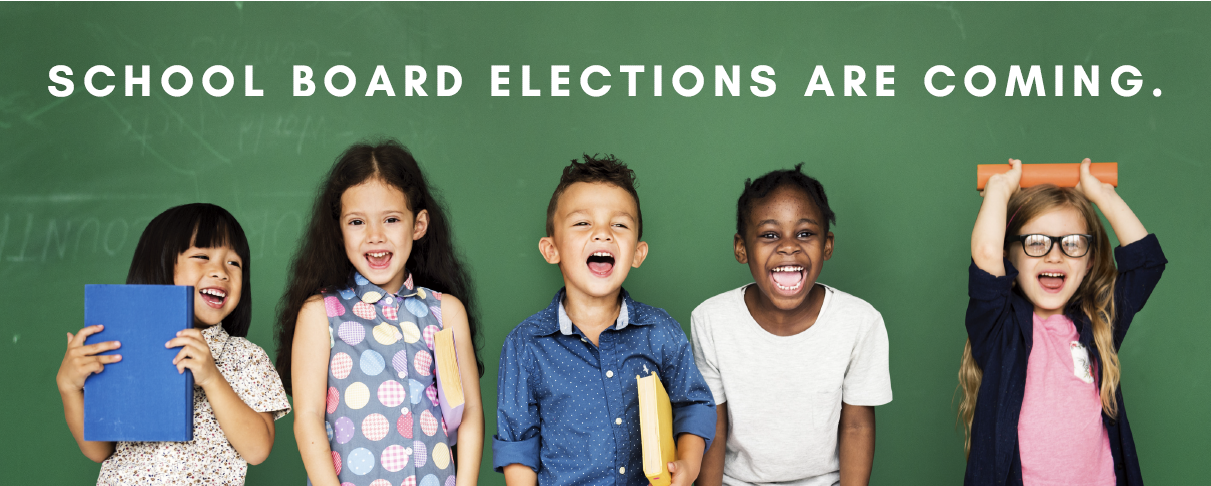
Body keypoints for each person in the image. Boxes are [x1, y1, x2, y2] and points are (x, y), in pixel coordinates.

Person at [493, 154, 716, 486]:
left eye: (619, 224)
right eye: (583, 223)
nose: (602, 234)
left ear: (638, 253)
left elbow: (693, 404)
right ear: (551, 249)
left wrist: (688, 465)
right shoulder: (526, 345)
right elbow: (518, 447)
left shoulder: (660, 330)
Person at [276, 139, 484, 486]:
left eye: (390, 219)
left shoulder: (445, 311)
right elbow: (308, 417)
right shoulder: (320, 313)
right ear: (338, 229)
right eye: (357, 222)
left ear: (418, 225)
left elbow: (471, 412)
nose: (374, 236)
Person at [961, 159, 1166, 485]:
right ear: (1008, 258)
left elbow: (1146, 263)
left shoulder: (1097, 324)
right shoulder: (1001, 329)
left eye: (1071, 243)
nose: (1054, 255)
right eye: (1036, 242)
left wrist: (1103, 195)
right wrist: (999, 190)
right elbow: (985, 253)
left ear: (1089, 262)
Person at [56, 203, 290, 485]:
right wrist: (69, 388)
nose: (221, 272)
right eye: (202, 255)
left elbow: (257, 450)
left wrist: (212, 378)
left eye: (234, 263)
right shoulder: (123, 347)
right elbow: (99, 450)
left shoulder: (246, 357)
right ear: (161, 264)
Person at [692, 164, 892, 486]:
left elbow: (857, 426)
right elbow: (714, 422)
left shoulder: (859, 321)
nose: (788, 246)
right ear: (741, 248)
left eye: (804, 233)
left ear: (827, 244)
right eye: (770, 234)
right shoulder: (711, 320)